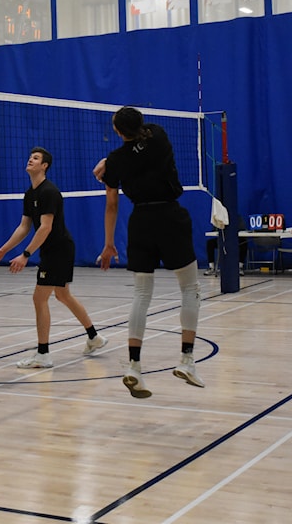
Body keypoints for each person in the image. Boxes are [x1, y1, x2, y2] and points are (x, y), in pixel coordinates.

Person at [95, 106, 204, 398]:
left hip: (140, 222)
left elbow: (112, 204)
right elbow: (139, 144)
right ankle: (187, 360)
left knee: (142, 294)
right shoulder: (159, 136)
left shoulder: (115, 162)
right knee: (190, 288)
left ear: (118, 132)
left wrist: (108, 244)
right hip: (170, 217)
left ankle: (133, 366)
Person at [0, 147, 108, 368]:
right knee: (62, 295)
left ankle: (43, 354)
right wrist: (3, 250)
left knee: (39, 298)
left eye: (36, 158)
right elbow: (24, 227)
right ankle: (94, 337)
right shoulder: (30, 193)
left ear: (45, 166)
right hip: (54, 250)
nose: (30, 160)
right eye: (30, 157)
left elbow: (45, 228)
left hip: (58, 249)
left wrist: (25, 255)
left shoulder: (48, 192)